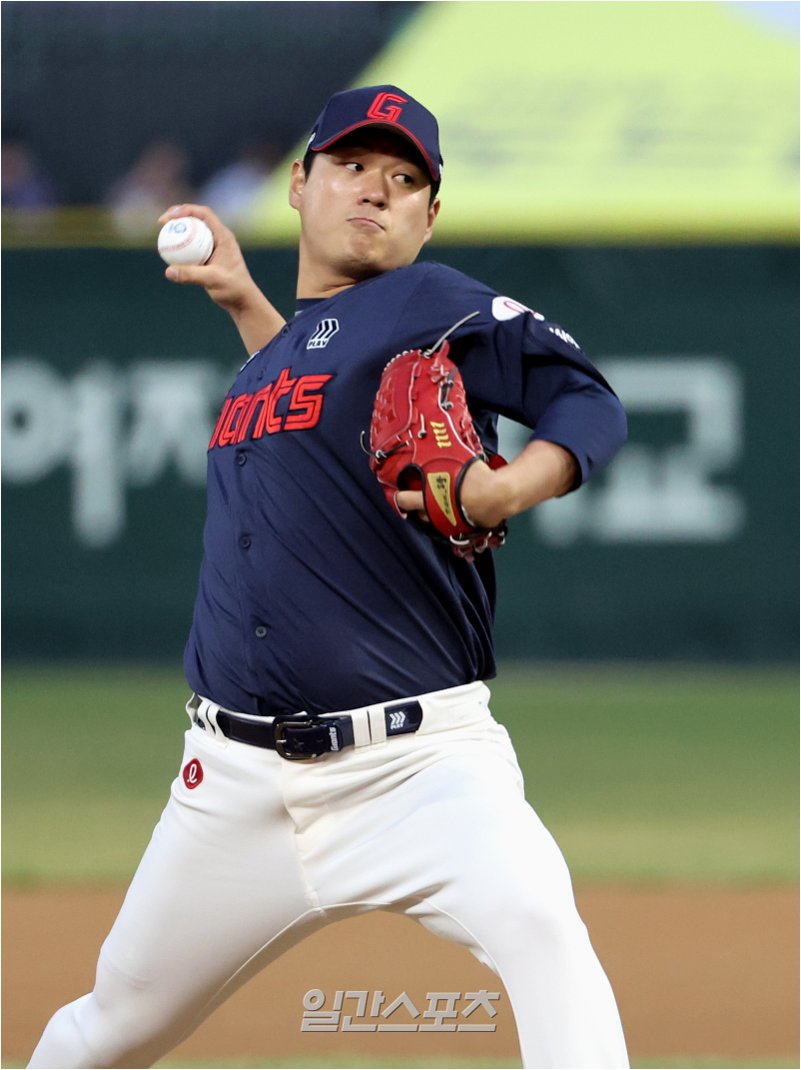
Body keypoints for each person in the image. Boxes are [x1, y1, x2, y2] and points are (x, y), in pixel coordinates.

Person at [28, 85, 629, 1069]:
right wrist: (242, 299)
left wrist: (508, 486)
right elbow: (310, 386)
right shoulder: (273, 361)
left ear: (429, 217)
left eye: (405, 180)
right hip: (229, 785)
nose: (376, 190)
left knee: (543, 934)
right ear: (298, 186)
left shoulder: (431, 304)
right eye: (351, 165)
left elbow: (585, 398)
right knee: (105, 1029)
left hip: (419, 770)